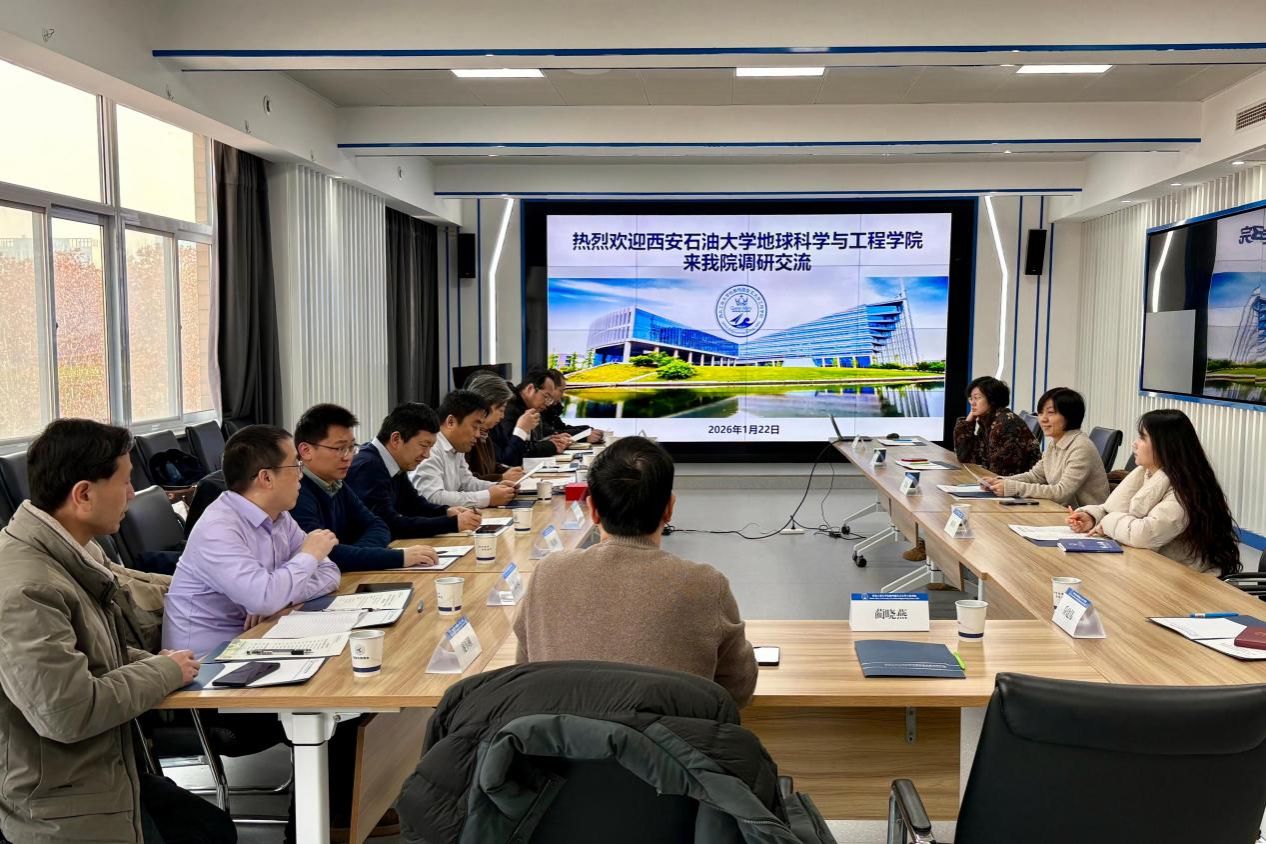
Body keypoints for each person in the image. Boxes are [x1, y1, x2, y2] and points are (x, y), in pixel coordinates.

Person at [0, 419, 234, 844]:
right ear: (83, 494)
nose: (132, 494)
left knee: (210, 830)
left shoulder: (75, 551)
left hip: (108, 771)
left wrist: (158, 661)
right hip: (60, 806)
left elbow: (99, 653)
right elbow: (67, 712)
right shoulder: (26, 589)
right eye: (125, 482)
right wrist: (164, 670)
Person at [513, 436, 758, 707]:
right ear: (669, 509)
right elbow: (738, 688)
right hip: (671, 734)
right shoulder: (706, 584)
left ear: (593, 510)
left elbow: (525, 672)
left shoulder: (547, 574)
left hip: (560, 734)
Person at [163, 425, 342, 655]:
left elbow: (330, 573)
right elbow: (264, 598)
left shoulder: (279, 516)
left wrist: (280, 598)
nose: (301, 475)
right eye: (296, 466)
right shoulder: (218, 528)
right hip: (205, 661)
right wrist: (308, 556)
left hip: (255, 641)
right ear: (266, 478)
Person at [1067, 408, 1242, 576]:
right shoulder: (1145, 472)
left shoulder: (1186, 487)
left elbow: (1144, 534)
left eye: (1142, 437)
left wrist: (1107, 522)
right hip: (1153, 569)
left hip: (1188, 579)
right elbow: (1111, 510)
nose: (1135, 444)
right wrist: (1092, 518)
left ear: (1165, 445)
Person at [292, 404, 438, 571]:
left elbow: (379, 525)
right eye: (340, 448)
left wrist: (357, 555)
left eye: (351, 448)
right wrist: (398, 557)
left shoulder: (337, 484)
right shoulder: (295, 493)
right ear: (306, 450)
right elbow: (322, 555)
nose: (348, 457)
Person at [346, 403, 482, 538]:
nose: (427, 455)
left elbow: (413, 505)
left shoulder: (394, 461)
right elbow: (388, 524)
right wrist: (452, 523)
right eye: (424, 445)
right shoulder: (367, 467)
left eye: (431, 447)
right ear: (396, 439)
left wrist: (446, 512)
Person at [979, 387, 1109, 507]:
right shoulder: (1055, 443)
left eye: (1050, 413)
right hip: (1061, 511)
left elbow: (1061, 492)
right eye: (1040, 413)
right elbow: (1035, 476)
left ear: (1070, 415)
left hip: (1084, 518)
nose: (1042, 419)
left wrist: (1012, 487)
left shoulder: (1081, 447)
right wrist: (1001, 481)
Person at [412, 390, 518, 508]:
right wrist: (488, 497)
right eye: (475, 426)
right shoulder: (430, 449)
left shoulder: (456, 446)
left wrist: (496, 487)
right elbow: (432, 497)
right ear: (451, 422)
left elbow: (466, 482)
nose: (478, 434)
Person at [493, 368, 570, 465]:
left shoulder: (527, 408)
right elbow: (514, 452)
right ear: (530, 389)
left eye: (550, 399)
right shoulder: (509, 409)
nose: (547, 403)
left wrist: (549, 440)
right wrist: (551, 446)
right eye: (546, 396)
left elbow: (527, 444)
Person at [462, 371, 528, 483]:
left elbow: (491, 466)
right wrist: (501, 477)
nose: (502, 416)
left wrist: (508, 471)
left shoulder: (485, 433)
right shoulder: (466, 435)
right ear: (486, 405)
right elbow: (466, 482)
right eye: (501, 410)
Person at [542, 368, 604, 444]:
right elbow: (548, 433)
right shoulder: (539, 409)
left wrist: (588, 430)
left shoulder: (551, 409)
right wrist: (584, 436)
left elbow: (561, 428)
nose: (562, 395)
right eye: (561, 390)